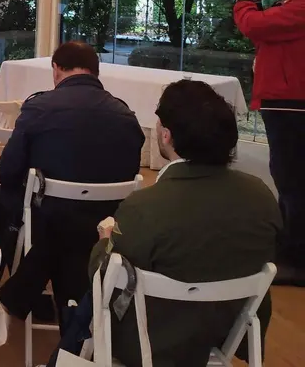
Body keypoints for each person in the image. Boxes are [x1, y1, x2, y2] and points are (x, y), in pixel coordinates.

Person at [74, 80, 281, 367]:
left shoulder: (145, 207)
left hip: (153, 343)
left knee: (95, 295)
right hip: (228, 331)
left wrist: (104, 239)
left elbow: (101, 273)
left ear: (167, 135)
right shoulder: (262, 196)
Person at [0, 41, 144, 325]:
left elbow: (7, 174)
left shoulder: (39, 107)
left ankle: (31, 284)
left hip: (47, 217)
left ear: (56, 69)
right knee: (69, 223)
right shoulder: (126, 115)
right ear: (96, 71)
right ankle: (61, 299)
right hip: (102, 222)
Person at [233, 0, 305, 287]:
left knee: (294, 181)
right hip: (288, 103)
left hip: (293, 104)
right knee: (290, 178)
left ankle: (297, 261)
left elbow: (255, 26)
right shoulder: (293, 4)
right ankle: (288, 247)